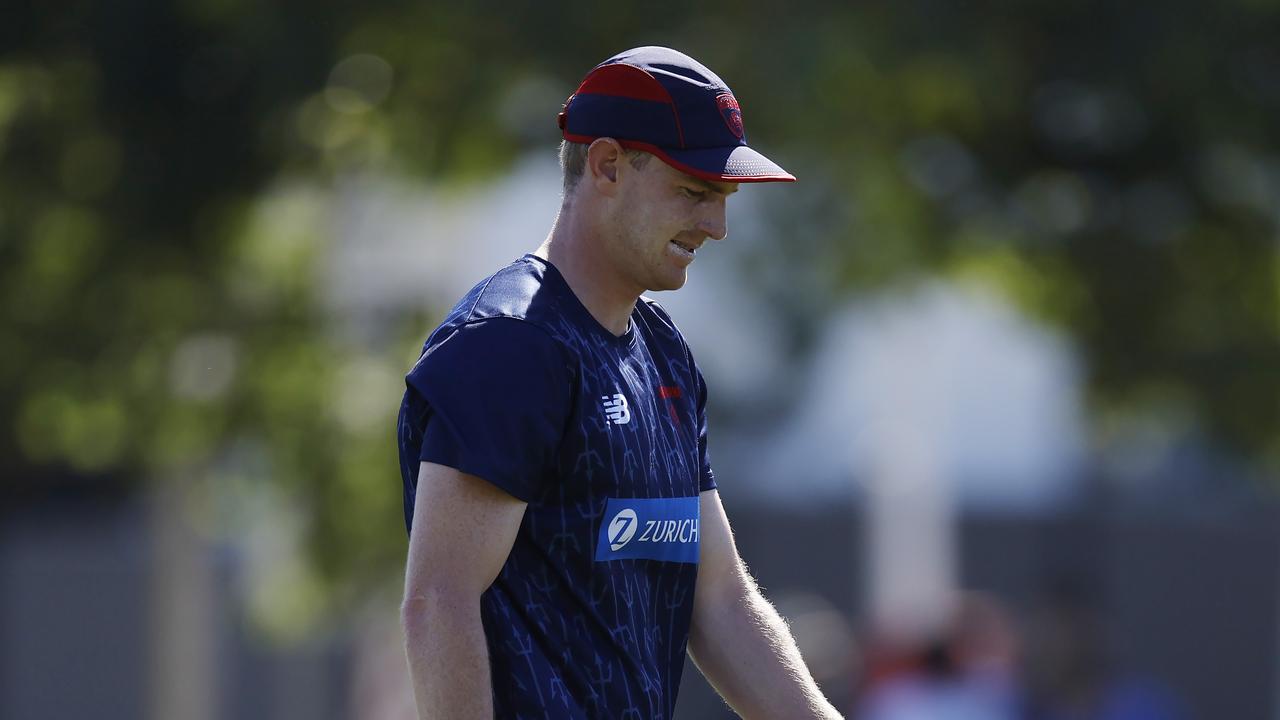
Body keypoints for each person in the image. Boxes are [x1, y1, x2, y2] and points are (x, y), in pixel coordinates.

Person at [397, 46, 841, 720]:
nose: (715, 226)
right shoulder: (509, 348)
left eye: (722, 200)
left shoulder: (662, 353)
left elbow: (718, 602)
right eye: (693, 192)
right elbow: (438, 602)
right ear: (605, 166)